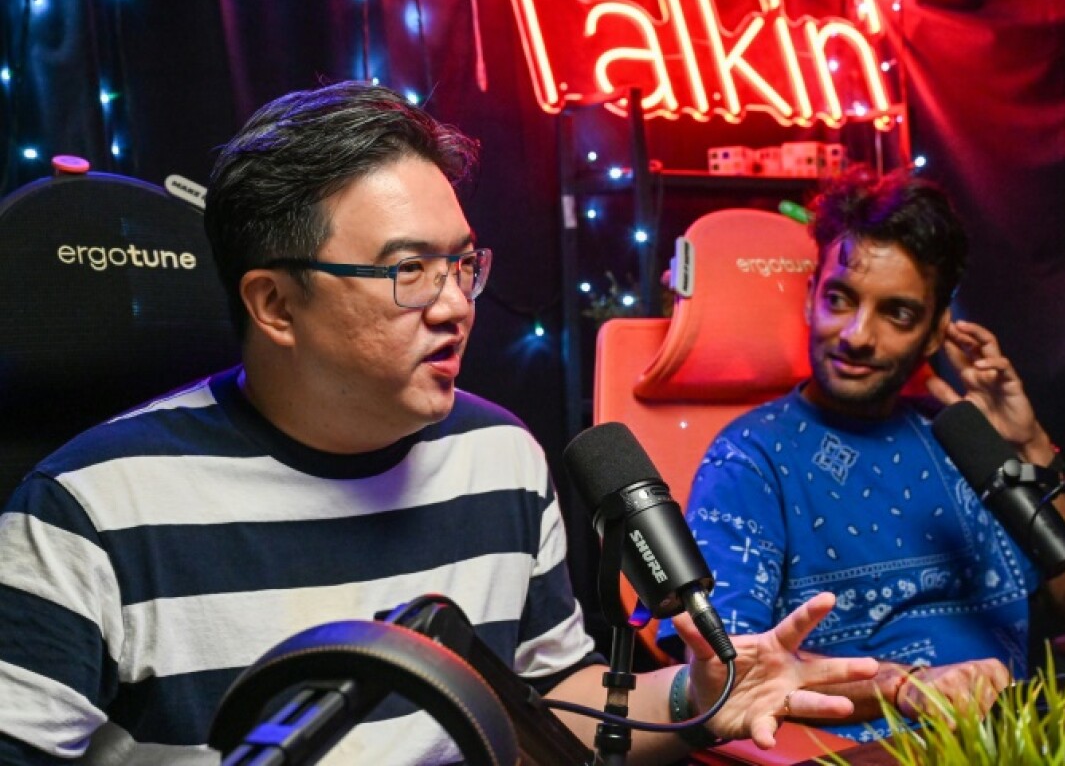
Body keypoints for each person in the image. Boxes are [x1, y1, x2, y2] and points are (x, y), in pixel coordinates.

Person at [0, 81, 879, 764]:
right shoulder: (86, 509)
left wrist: (700, 696)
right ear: (274, 303)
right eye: (410, 271)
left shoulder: (499, 457)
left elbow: (548, 707)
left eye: (463, 265)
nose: (456, 305)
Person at [657, 168, 1065, 742]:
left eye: (896, 313)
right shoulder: (749, 460)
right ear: (810, 301)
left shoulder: (961, 439)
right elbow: (724, 673)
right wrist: (907, 686)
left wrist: (1029, 445)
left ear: (933, 333)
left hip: (1023, 742)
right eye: (839, 299)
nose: (857, 334)